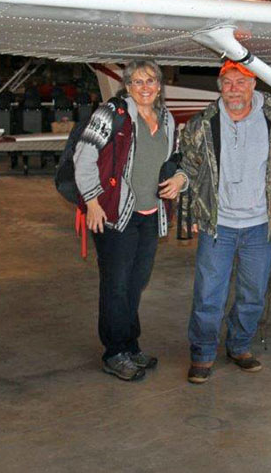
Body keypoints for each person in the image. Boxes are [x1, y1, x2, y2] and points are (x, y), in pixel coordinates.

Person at [180, 59, 271, 384]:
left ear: (254, 85)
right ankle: (203, 354)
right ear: (219, 87)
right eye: (227, 82)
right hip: (218, 225)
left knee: (252, 294)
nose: (234, 89)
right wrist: (192, 216)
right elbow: (187, 170)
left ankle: (239, 345)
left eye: (241, 82)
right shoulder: (203, 123)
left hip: (260, 227)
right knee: (209, 294)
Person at [73, 61, 187, 382]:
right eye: (137, 82)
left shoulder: (167, 119)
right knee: (116, 285)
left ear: (160, 85)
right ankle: (114, 352)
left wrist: (179, 177)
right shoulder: (111, 114)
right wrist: (93, 202)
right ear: (127, 86)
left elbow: (175, 160)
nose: (145, 87)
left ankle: (130, 344)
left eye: (150, 80)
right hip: (116, 216)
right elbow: (84, 155)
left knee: (136, 284)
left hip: (150, 216)